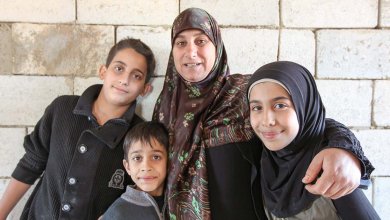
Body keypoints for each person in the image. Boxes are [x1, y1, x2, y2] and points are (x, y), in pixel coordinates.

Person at [152, 7, 374, 220]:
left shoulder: (244, 92)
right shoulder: (165, 108)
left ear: (217, 46)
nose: (191, 52)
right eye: (181, 43)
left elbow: (313, 123)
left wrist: (344, 152)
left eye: (201, 41)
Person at [0, 38, 156, 220]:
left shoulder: (140, 136)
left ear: (145, 89)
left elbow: (137, 195)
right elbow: (31, 163)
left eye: (136, 75)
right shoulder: (62, 109)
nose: (124, 80)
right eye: (119, 69)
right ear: (103, 71)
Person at [247, 61, 380, 219]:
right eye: (257, 108)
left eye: (280, 105)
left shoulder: (331, 167)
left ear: (305, 106)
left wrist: (345, 148)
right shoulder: (260, 158)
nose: (267, 121)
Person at [101, 121, 168, 220]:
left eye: (156, 157)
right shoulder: (118, 213)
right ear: (127, 167)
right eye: (137, 158)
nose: (146, 167)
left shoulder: (175, 200)